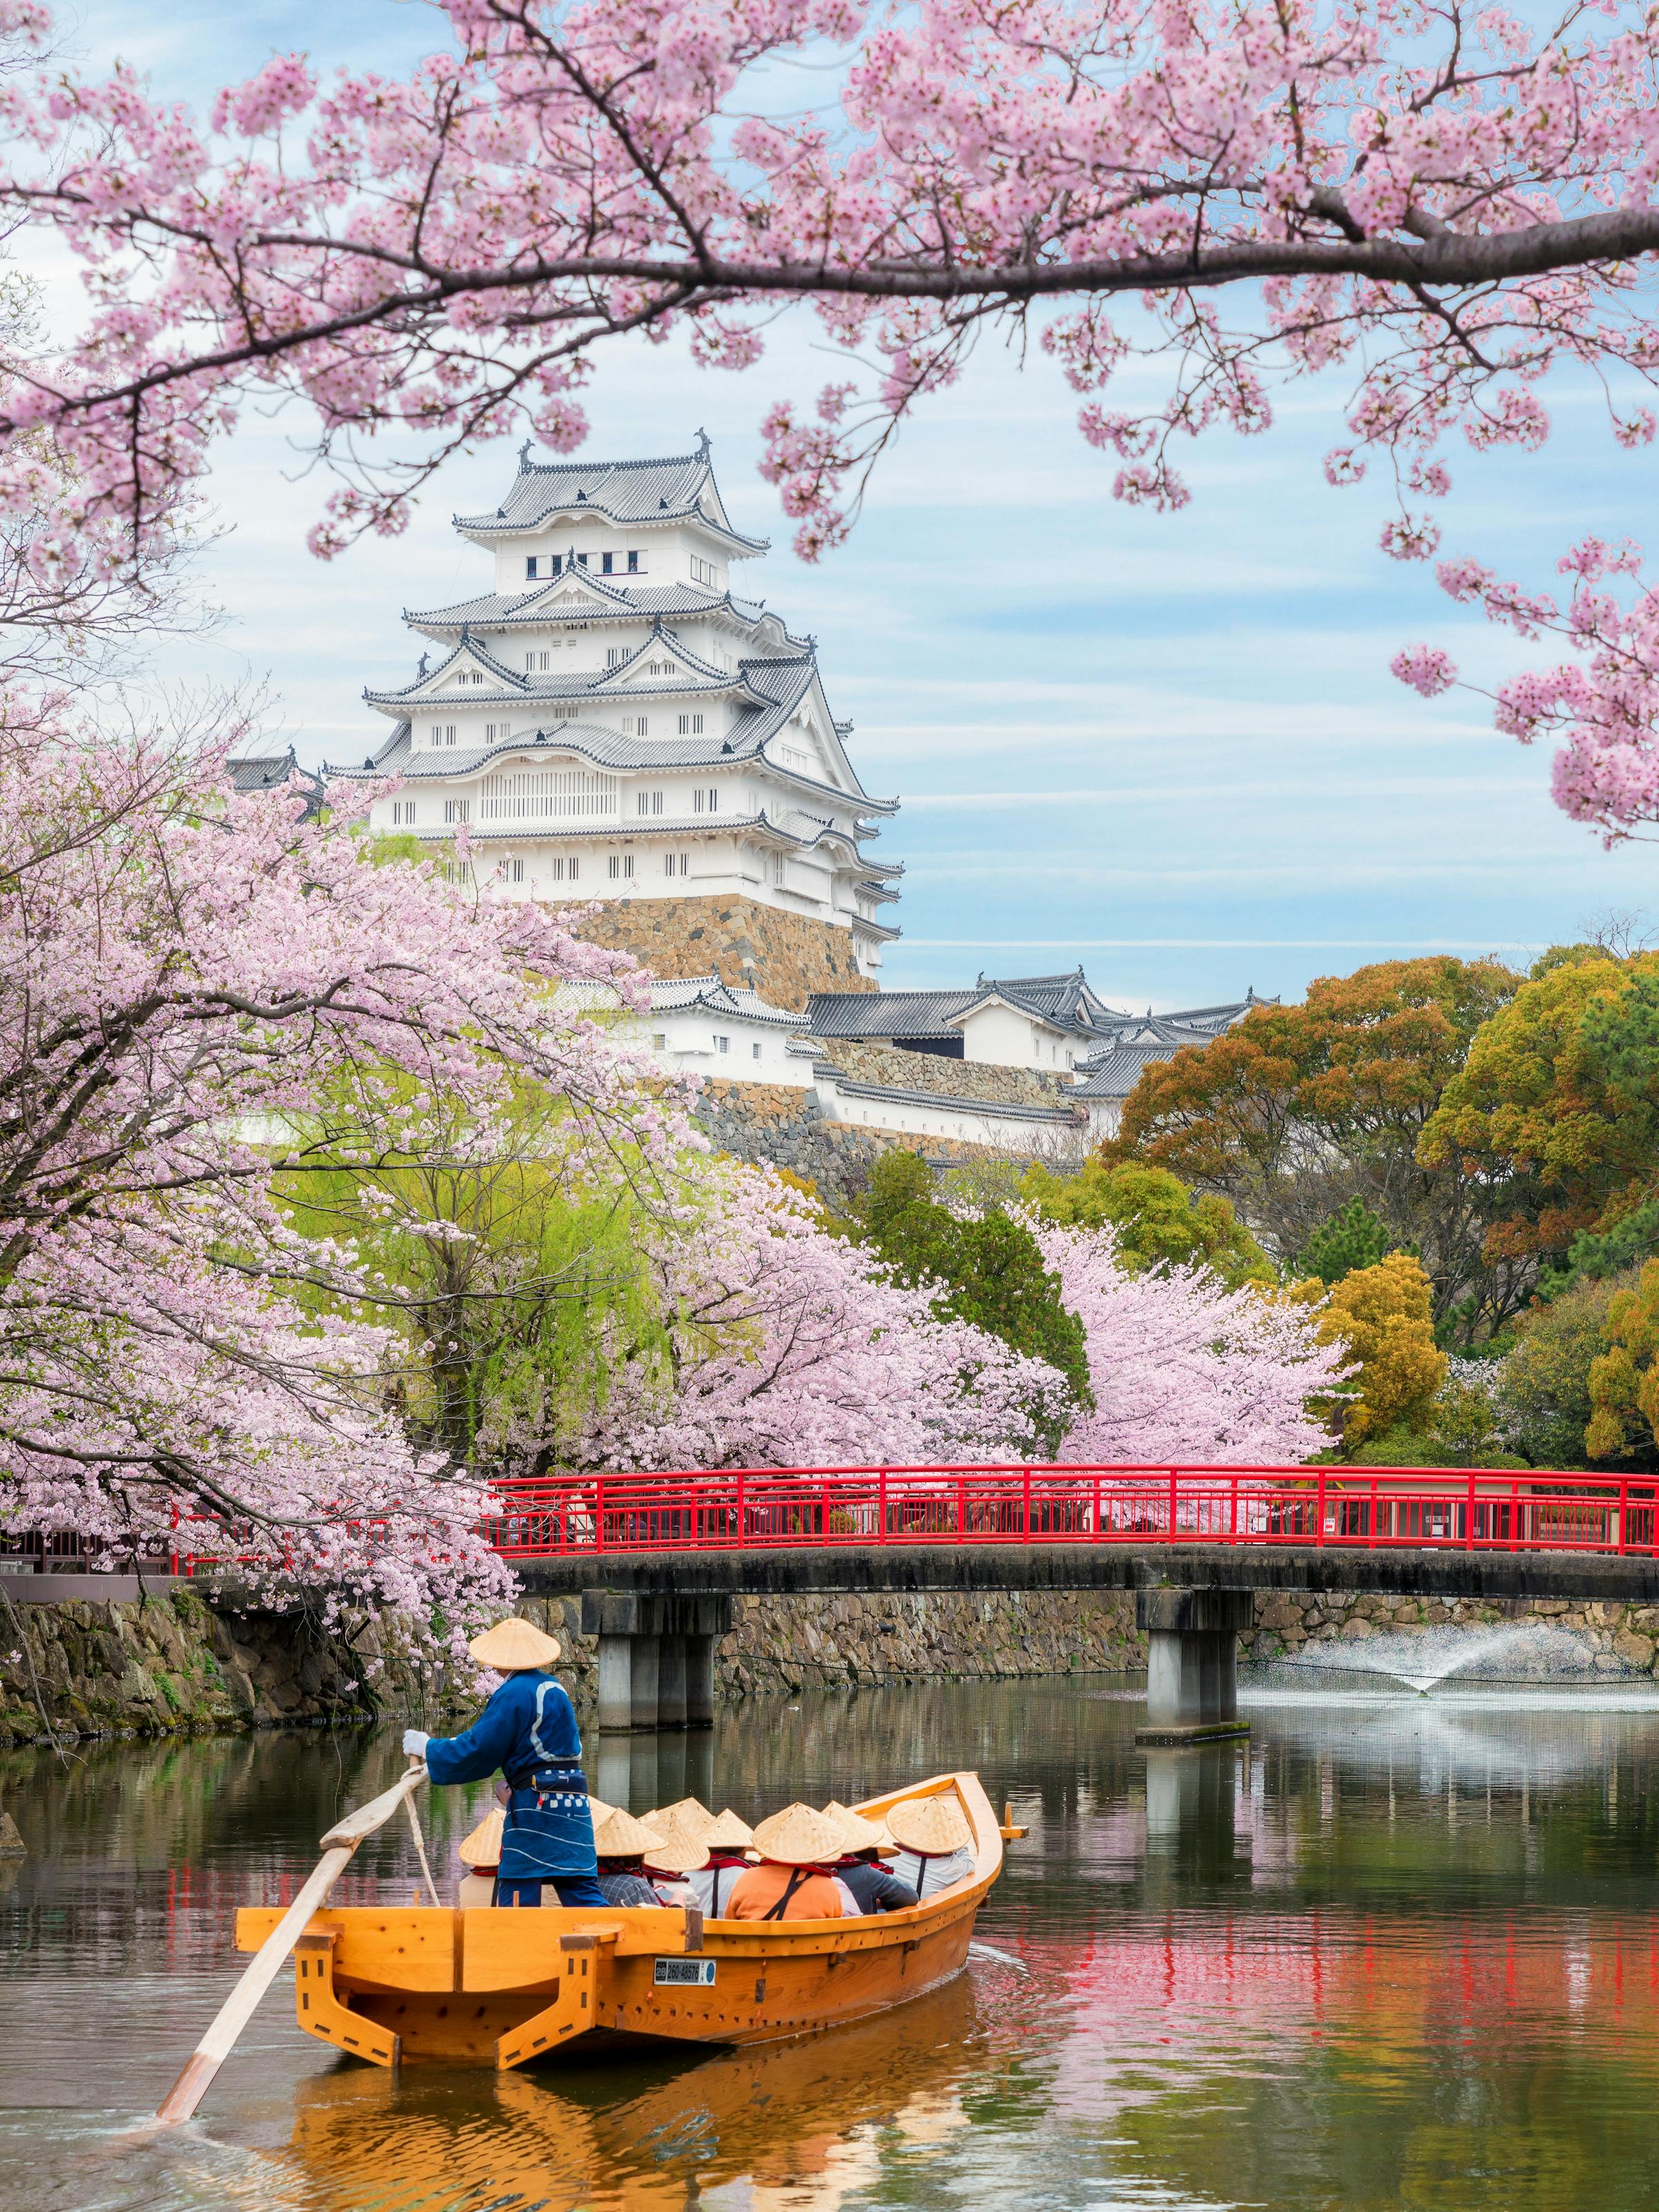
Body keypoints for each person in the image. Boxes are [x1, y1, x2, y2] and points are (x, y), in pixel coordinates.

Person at [404, 1616, 605, 1909]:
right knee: (580, 1888)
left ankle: (515, 1951)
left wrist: (429, 1748)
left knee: (517, 1891)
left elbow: (480, 1749)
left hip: (537, 1806)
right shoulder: (554, 1687)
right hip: (574, 1803)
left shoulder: (514, 1692)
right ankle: (614, 1945)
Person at [726, 1804, 853, 1921]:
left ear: (774, 1844)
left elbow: (729, 1924)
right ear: (817, 1850)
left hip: (751, 1946)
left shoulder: (747, 1878)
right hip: (810, 1947)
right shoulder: (829, 1888)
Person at [826, 1801, 919, 1914]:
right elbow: (910, 1897)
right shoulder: (863, 1872)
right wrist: (881, 1900)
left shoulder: (802, 1870)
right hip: (859, 1930)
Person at [885, 1794, 976, 1901]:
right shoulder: (954, 1867)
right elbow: (970, 1864)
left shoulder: (889, 1858)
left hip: (893, 1910)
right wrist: (958, 1845)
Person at [594, 1807, 673, 1904]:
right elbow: (658, 1919)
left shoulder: (589, 1881)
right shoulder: (635, 1885)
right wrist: (677, 1904)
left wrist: (649, 1891)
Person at [688, 1808, 756, 1919]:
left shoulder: (688, 1874)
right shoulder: (746, 1875)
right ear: (741, 1850)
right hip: (730, 1933)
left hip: (697, 1930)